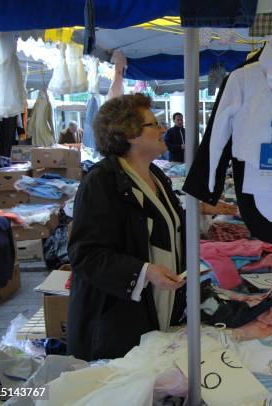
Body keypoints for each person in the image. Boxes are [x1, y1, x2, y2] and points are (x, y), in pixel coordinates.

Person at [67, 94, 186, 361]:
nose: (162, 129)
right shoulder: (101, 181)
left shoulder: (156, 175)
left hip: (158, 309)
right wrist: (145, 272)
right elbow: (85, 255)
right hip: (117, 324)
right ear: (130, 134)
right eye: (154, 124)